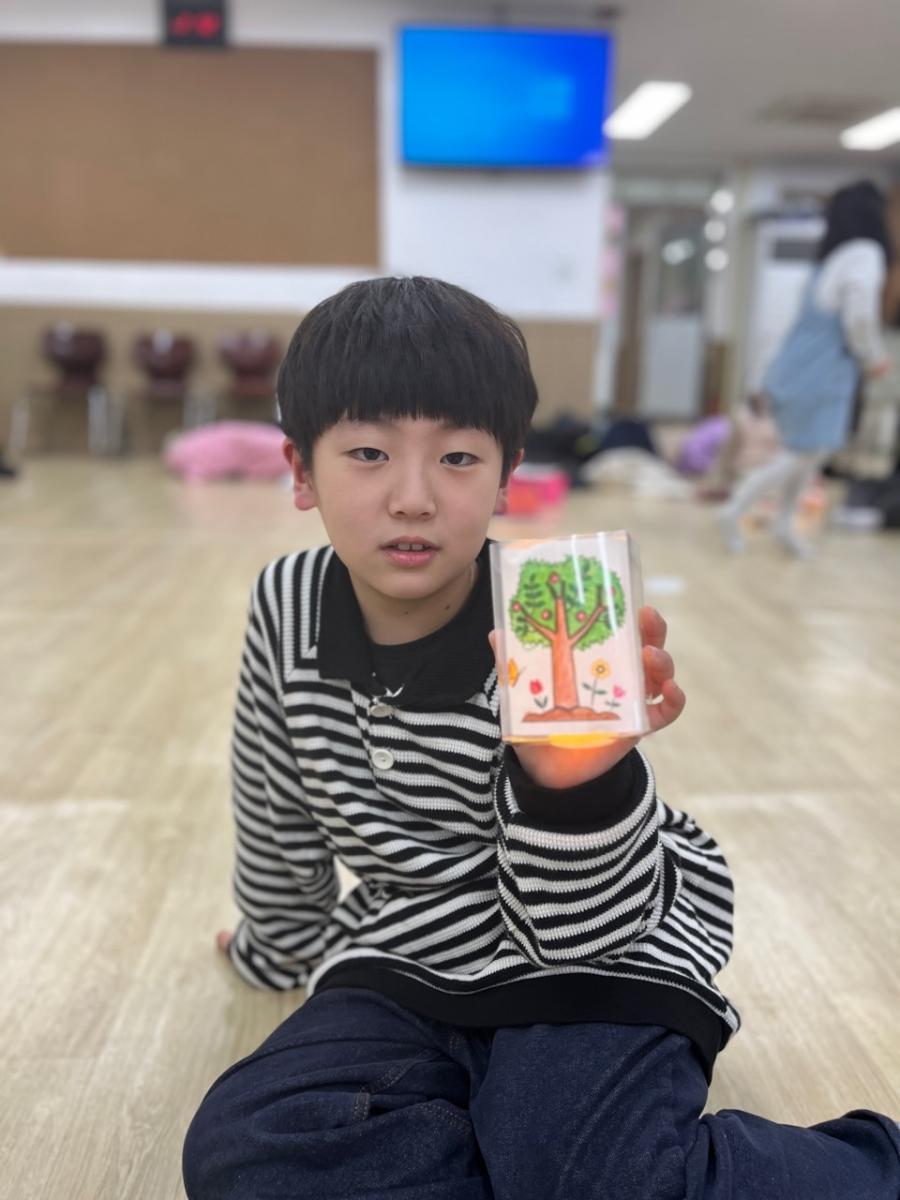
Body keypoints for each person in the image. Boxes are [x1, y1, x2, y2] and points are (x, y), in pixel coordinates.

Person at [182, 277, 899, 1199]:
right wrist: (274, 948)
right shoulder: (286, 601)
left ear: (507, 474)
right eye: (367, 453)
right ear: (301, 471)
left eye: (458, 458)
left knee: (588, 1171)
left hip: (604, 943)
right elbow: (274, 799)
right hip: (409, 950)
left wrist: (574, 788)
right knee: (245, 1149)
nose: (412, 497)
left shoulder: (556, 606)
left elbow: (584, 932)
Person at [719, 180, 894, 556]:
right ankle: (734, 509)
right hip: (820, 373)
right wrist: (874, 358)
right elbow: (860, 318)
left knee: (806, 456)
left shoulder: (830, 259)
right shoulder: (865, 254)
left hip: (794, 369)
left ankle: (784, 525)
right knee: (803, 455)